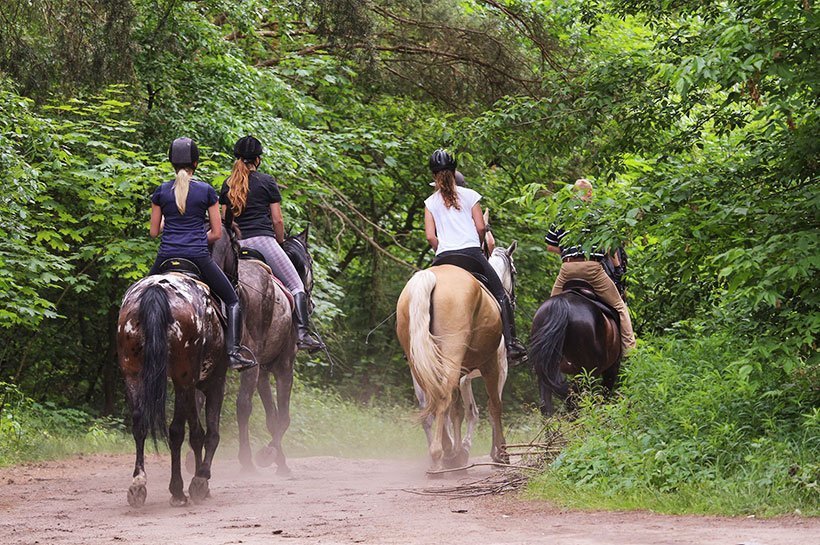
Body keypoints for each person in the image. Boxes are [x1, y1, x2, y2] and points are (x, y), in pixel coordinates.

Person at [148, 137, 256, 371]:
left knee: (139, 294)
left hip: (165, 257)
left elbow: (154, 232)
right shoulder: (206, 191)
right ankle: (234, 352)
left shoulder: (161, 192)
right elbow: (217, 234)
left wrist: (171, 225)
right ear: (196, 163)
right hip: (197, 257)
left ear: (171, 164)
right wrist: (196, 239)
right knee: (232, 300)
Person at [220, 136, 325, 353]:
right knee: (296, 285)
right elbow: (277, 220)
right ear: (257, 160)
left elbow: (225, 222)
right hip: (263, 241)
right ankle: (303, 335)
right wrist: (279, 242)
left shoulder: (228, 184)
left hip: (236, 245)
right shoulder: (267, 181)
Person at [424, 148, 527, 363]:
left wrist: (441, 251)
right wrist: (478, 245)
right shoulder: (471, 196)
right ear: (454, 171)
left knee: (423, 294)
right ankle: (511, 344)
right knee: (501, 294)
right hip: (471, 255)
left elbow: (430, 238)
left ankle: (415, 344)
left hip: (443, 257)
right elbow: (481, 227)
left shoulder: (430, 202)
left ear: (434, 175)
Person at [545, 178, 636, 355]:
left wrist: (566, 252)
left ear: (573, 194)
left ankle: (545, 350)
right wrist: (617, 269)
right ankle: (630, 352)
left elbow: (549, 246)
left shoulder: (563, 215)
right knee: (619, 306)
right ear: (590, 194)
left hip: (567, 270)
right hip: (592, 269)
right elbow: (610, 248)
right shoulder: (598, 215)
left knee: (550, 308)